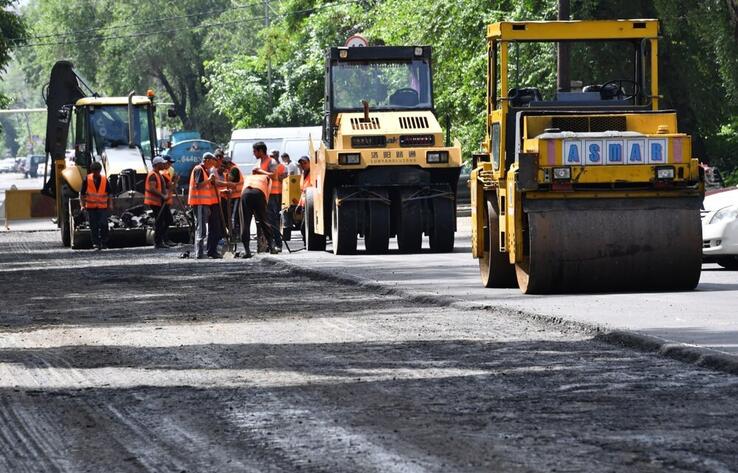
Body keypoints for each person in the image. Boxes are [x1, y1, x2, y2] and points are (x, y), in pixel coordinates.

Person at [253, 142, 287, 252]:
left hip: (273, 194)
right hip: (264, 194)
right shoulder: (259, 162)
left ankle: (278, 244)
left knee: (272, 220)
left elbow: (273, 175)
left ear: (261, 151)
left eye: (255, 151)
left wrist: (259, 171)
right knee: (265, 220)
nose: (253, 153)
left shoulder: (271, 162)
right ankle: (269, 244)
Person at [188, 152, 220, 259]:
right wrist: (209, 180)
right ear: (206, 160)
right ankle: (199, 253)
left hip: (203, 203)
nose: (212, 164)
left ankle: (200, 252)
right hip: (199, 202)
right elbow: (198, 186)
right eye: (211, 161)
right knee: (201, 228)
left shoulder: (204, 171)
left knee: (201, 227)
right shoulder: (199, 169)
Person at [239, 173, 275, 258]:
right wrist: (263, 213)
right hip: (259, 193)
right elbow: (267, 194)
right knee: (264, 221)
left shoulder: (248, 177)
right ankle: (272, 248)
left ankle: (247, 251)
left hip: (245, 194)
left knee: (245, 222)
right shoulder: (267, 178)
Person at [80, 161, 112, 250]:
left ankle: (104, 243)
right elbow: (82, 194)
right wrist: (82, 205)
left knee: (104, 224)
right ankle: (96, 243)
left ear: (100, 170)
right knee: (93, 226)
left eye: (97, 171)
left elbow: (109, 194)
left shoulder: (105, 180)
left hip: (102, 207)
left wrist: (110, 205)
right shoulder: (87, 179)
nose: (96, 173)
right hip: (91, 207)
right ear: (91, 170)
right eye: (94, 171)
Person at [144, 157, 170, 249]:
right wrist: (163, 196)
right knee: (160, 222)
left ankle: (161, 239)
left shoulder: (158, 174)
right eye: (162, 163)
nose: (163, 165)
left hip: (161, 201)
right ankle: (158, 241)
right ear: (157, 164)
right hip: (155, 202)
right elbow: (152, 188)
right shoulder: (153, 175)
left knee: (168, 220)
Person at [160, 156, 178, 246]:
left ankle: (164, 239)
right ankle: (162, 240)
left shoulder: (169, 171)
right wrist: (174, 182)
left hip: (166, 199)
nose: (170, 164)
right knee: (166, 219)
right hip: (162, 199)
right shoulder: (162, 173)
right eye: (169, 162)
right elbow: (169, 186)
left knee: (166, 220)